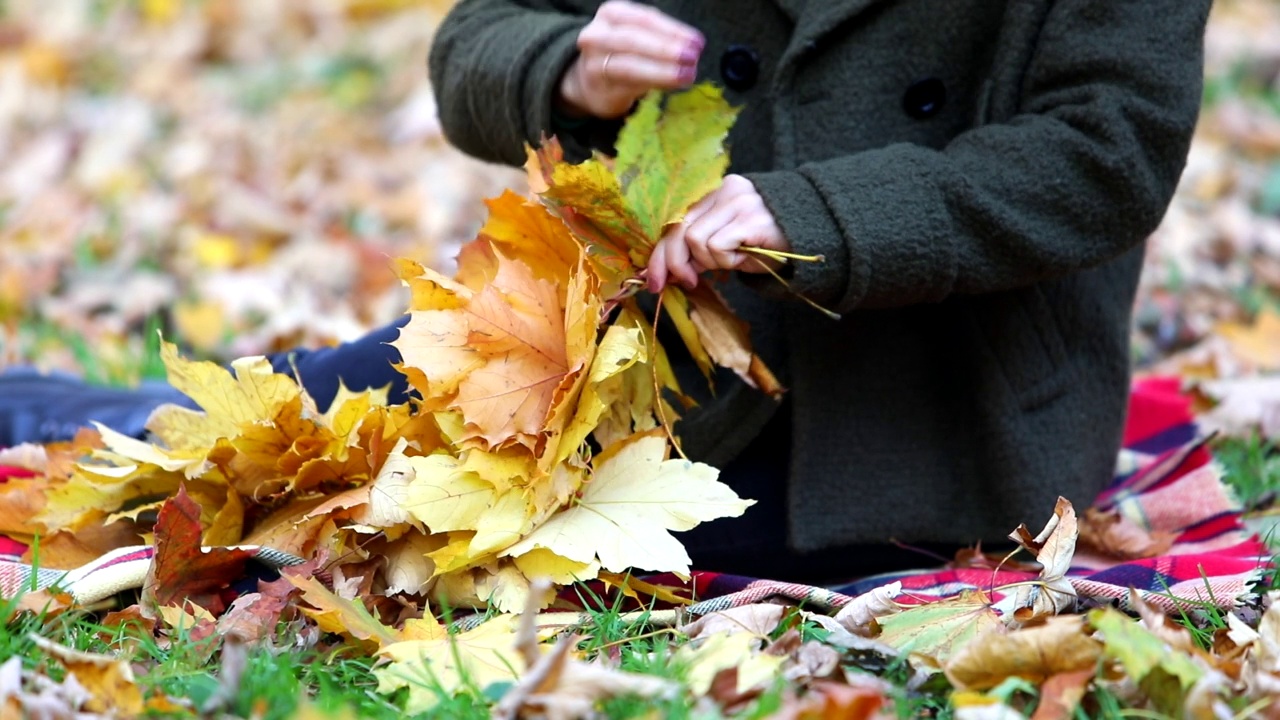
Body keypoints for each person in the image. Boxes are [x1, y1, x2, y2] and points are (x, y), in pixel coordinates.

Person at [1, 0, 1211, 583]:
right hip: (612, 339)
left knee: (363, 493)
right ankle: (58, 418)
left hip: (925, 420)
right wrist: (564, 69)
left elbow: (1106, 150)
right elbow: (473, 43)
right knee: (303, 425)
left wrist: (830, 214)